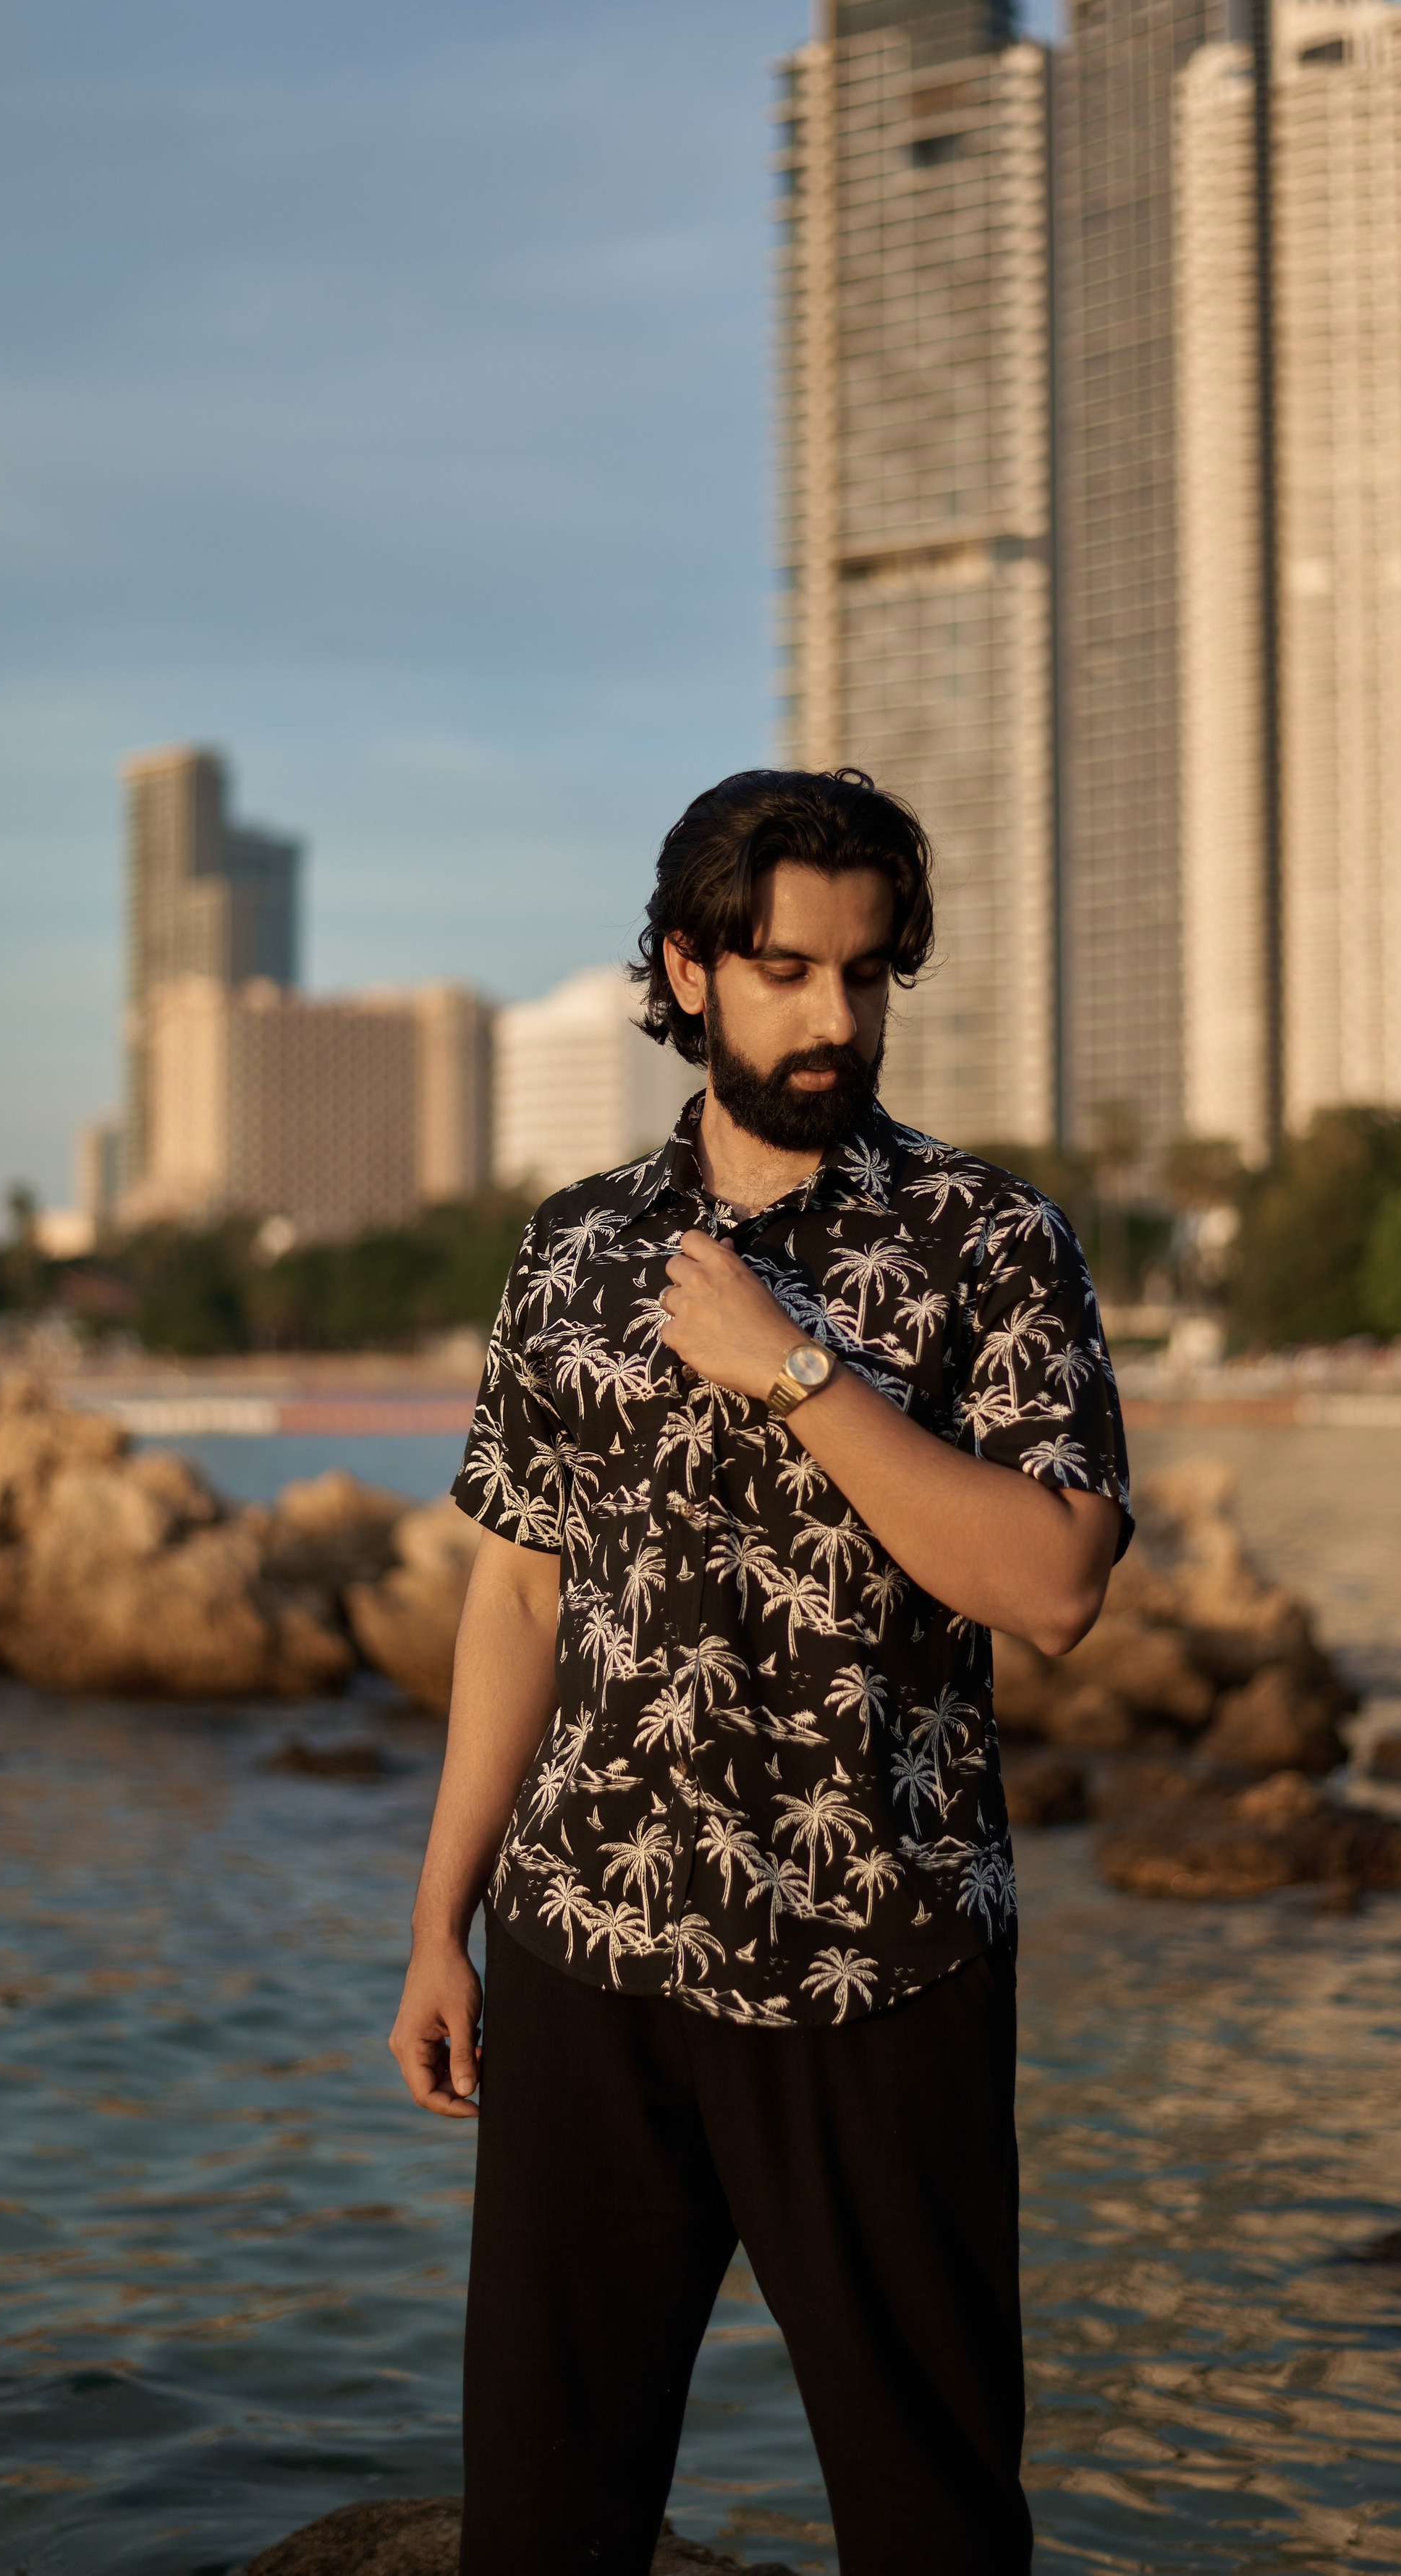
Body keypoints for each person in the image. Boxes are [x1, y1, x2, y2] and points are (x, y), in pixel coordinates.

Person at [389, 766, 1131, 2576]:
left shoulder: (989, 1241)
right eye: (786, 969)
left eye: (864, 975)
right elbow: (512, 1595)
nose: (831, 1016)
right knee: (546, 2520)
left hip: (882, 1958)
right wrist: (438, 1920)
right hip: (592, 1958)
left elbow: (1050, 1585)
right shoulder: (570, 1248)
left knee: (931, 2520)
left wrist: (799, 1368)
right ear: (687, 968)